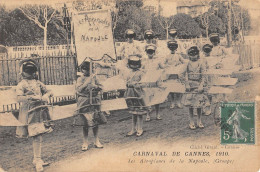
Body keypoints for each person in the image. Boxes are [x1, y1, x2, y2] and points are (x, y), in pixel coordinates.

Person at [16, 59, 53, 172]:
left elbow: (50, 91)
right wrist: (32, 97)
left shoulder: (38, 83)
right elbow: (18, 97)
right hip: (29, 112)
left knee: (39, 135)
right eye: (28, 71)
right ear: (23, 72)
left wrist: (46, 95)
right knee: (36, 135)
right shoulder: (21, 84)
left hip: (40, 112)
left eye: (32, 71)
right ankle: (37, 160)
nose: (31, 74)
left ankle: (37, 159)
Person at [76, 61, 106, 151]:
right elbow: (79, 90)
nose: (87, 71)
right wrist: (87, 82)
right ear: (82, 70)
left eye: (89, 69)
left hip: (94, 101)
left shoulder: (95, 77)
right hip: (84, 101)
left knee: (95, 121)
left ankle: (96, 140)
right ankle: (85, 142)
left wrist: (95, 86)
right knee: (85, 123)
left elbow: (102, 87)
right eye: (84, 69)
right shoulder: (80, 79)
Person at [183, 46, 209, 130]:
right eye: (191, 54)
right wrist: (186, 84)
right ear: (188, 55)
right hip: (190, 85)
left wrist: (201, 85)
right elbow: (183, 74)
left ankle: (199, 120)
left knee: (199, 104)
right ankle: (191, 121)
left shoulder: (201, 63)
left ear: (198, 54)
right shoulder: (187, 63)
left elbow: (204, 75)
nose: (193, 56)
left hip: (198, 84)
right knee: (190, 104)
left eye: (195, 54)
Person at [125, 55, 147, 137]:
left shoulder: (141, 73)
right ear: (130, 64)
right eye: (132, 64)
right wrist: (128, 84)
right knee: (133, 112)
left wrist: (135, 84)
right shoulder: (129, 73)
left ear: (139, 64)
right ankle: (133, 128)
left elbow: (144, 83)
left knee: (139, 112)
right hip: (130, 94)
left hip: (138, 94)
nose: (134, 66)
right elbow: (126, 82)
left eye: (136, 64)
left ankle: (140, 128)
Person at [142, 44, 164, 121]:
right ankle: (148, 114)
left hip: (155, 82)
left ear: (154, 52)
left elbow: (163, 68)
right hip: (147, 83)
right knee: (148, 99)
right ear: (146, 52)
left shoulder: (158, 61)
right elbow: (141, 71)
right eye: (149, 52)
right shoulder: (144, 62)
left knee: (156, 98)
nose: (150, 53)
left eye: (152, 52)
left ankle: (157, 114)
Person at [164, 40, 185, 109]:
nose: (172, 49)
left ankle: (178, 101)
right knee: (171, 88)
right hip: (170, 75)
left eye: (174, 47)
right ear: (169, 48)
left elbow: (184, 62)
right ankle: (172, 102)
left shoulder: (178, 56)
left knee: (178, 88)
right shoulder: (167, 56)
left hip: (177, 75)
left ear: (176, 48)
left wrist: (179, 65)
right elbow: (163, 64)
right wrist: (167, 66)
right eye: (171, 47)